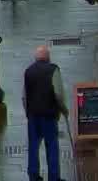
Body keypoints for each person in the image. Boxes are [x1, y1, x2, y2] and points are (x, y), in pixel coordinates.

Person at [23, 43, 68, 181]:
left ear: (36, 58)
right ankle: (54, 177)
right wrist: (64, 109)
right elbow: (58, 94)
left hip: (33, 116)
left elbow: (24, 96)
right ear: (48, 57)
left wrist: (28, 112)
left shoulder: (28, 71)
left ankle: (33, 175)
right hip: (49, 114)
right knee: (52, 146)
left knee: (33, 146)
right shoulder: (53, 70)